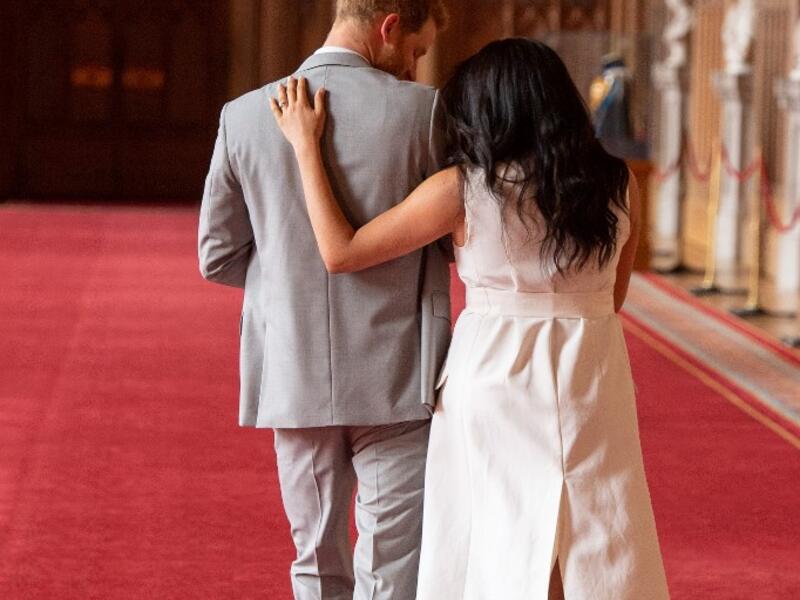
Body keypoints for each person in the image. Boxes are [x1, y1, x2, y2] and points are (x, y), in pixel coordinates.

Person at [270, 38, 671, 599]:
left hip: (495, 372)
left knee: (495, 529)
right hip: (591, 370)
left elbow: (342, 251)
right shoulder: (617, 183)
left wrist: (305, 146)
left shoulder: (466, 187)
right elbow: (614, 297)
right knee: (594, 522)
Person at [198, 1, 451, 599]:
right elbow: (450, 237)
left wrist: (286, 281)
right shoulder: (425, 112)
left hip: (294, 370)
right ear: (390, 26)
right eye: (416, 52)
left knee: (314, 559)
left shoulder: (243, 117)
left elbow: (216, 255)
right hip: (399, 374)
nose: (415, 69)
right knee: (392, 567)